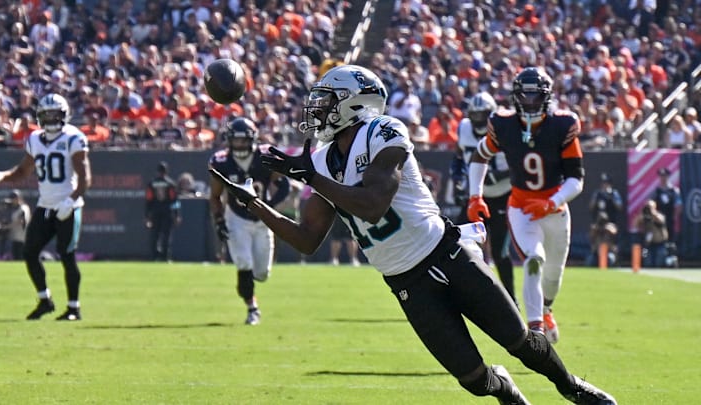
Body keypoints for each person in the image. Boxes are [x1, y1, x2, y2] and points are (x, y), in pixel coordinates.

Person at [217, 64, 615, 404]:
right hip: (405, 281)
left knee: (521, 343)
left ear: (354, 102)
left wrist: (312, 178)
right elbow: (306, 239)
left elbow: (373, 203)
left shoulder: (383, 131)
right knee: (474, 379)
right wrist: (253, 203)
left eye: (326, 100)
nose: (317, 109)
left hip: (448, 256)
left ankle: (571, 387)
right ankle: (505, 391)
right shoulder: (321, 160)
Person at [467, 67, 584, 345]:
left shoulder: (562, 125)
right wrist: (475, 196)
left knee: (553, 275)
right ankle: (535, 332)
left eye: (535, 96)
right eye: (525, 96)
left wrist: (551, 202)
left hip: (555, 211)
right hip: (521, 208)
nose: (530, 102)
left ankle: (545, 310)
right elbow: (479, 156)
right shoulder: (503, 124)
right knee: (534, 259)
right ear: (516, 97)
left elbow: (577, 179)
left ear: (546, 97)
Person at [0, 93, 91, 321]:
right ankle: (45, 300)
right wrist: (2, 176)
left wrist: (71, 201)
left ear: (65, 115)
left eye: (55, 115)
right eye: (47, 115)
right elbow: (24, 171)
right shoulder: (34, 138)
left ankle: (74, 308)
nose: (51, 119)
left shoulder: (74, 138)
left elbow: (85, 178)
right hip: (46, 206)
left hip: (67, 205)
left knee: (67, 255)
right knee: (30, 251)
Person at [208, 117, 290, 325]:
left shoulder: (264, 157)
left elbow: (284, 185)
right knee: (244, 263)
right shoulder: (221, 161)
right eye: (235, 141)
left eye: (243, 140)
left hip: (262, 220)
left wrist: (269, 204)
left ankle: (247, 284)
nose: (239, 145)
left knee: (262, 273)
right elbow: (215, 196)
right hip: (236, 218)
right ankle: (252, 308)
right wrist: (218, 221)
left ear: (252, 139)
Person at [454, 91, 516, 303]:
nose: (479, 120)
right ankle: (459, 295)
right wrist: (458, 179)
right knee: (454, 242)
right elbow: (457, 157)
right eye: (476, 115)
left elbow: (520, 162)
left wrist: (498, 174)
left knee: (500, 252)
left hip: (502, 195)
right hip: (476, 197)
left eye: (483, 115)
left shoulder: (505, 129)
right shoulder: (463, 128)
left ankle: (511, 299)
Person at [145, 161, 181, 262]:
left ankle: (154, 256)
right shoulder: (170, 184)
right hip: (167, 212)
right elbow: (175, 200)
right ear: (166, 171)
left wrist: (147, 216)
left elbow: (148, 200)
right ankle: (165, 257)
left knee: (154, 235)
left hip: (155, 211)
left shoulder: (152, 184)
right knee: (166, 235)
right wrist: (177, 214)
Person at [0, 190, 31, 260]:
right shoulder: (14, 208)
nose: (13, 201)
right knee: (16, 258)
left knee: (20, 259)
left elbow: (21, 221)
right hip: (15, 238)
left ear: (19, 198)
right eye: (12, 199)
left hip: (22, 239)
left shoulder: (24, 208)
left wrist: (6, 227)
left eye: (14, 199)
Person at [634, 199, 669, 268]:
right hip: (648, 245)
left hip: (660, 244)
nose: (648, 209)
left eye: (650, 207)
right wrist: (642, 213)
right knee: (647, 263)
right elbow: (635, 225)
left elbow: (661, 220)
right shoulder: (644, 217)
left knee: (659, 264)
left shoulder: (659, 216)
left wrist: (652, 212)